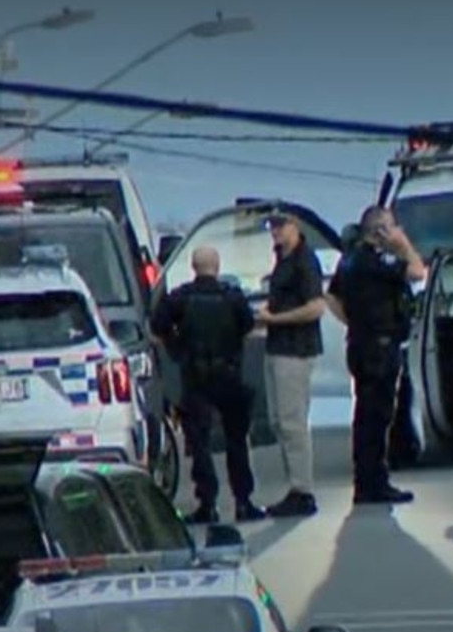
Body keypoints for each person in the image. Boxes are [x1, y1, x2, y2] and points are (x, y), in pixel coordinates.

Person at [151, 246, 265, 525]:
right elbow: (248, 324)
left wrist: (177, 348)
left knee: (199, 443)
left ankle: (208, 503)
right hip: (229, 375)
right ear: (217, 265)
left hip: (196, 377)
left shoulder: (180, 298)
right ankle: (243, 501)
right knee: (237, 441)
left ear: (193, 266)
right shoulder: (232, 298)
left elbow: (158, 325)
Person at [325, 206, 426, 504]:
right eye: (392, 227)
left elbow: (332, 296)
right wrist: (403, 245)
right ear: (380, 231)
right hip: (380, 346)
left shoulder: (349, 260)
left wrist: (356, 322)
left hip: (360, 342)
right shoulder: (380, 260)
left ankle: (365, 481)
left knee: (364, 416)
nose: (397, 231)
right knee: (378, 417)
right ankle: (374, 484)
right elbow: (418, 271)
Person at [255, 210, 326, 518]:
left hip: (295, 350)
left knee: (292, 423)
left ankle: (303, 490)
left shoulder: (304, 261)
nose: (275, 232)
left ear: (294, 226)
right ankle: (293, 487)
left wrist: (276, 319)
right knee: (278, 422)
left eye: (280, 226)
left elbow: (315, 308)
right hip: (277, 346)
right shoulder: (282, 259)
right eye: (271, 226)